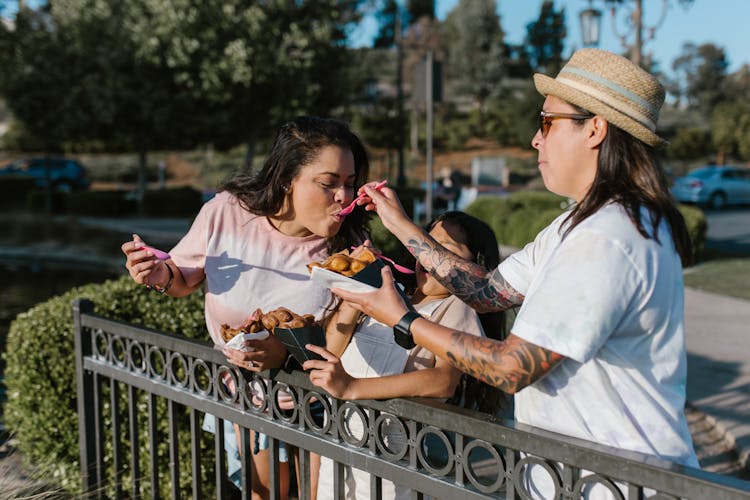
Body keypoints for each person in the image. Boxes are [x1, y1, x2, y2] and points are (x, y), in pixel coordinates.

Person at [328, 49, 699, 498]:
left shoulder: (608, 236)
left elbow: (511, 367)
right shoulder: (579, 224)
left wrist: (404, 319)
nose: (534, 140)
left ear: (595, 128)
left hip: (618, 485)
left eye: (547, 122)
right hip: (586, 479)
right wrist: (401, 225)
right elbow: (487, 292)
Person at [122, 115, 372, 499]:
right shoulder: (226, 212)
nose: (344, 196)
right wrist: (157, 274)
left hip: (321, 403)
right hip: (249, 395)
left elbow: (351, 332)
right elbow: (182, 276)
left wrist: (285, 355)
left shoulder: (351, 247)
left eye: (349, 183)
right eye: (329, 183)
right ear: (288, 179)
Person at [304, 211, 509, 499]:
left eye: (446, 251)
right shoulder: (393, 292)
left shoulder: (456, 307)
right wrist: (357, 288)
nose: (429, 257)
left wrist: (352, 388)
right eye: (427, 244)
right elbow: (332, 350)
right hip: (340, 427)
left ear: (474, 267)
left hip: (392, 444)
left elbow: (443, 381)